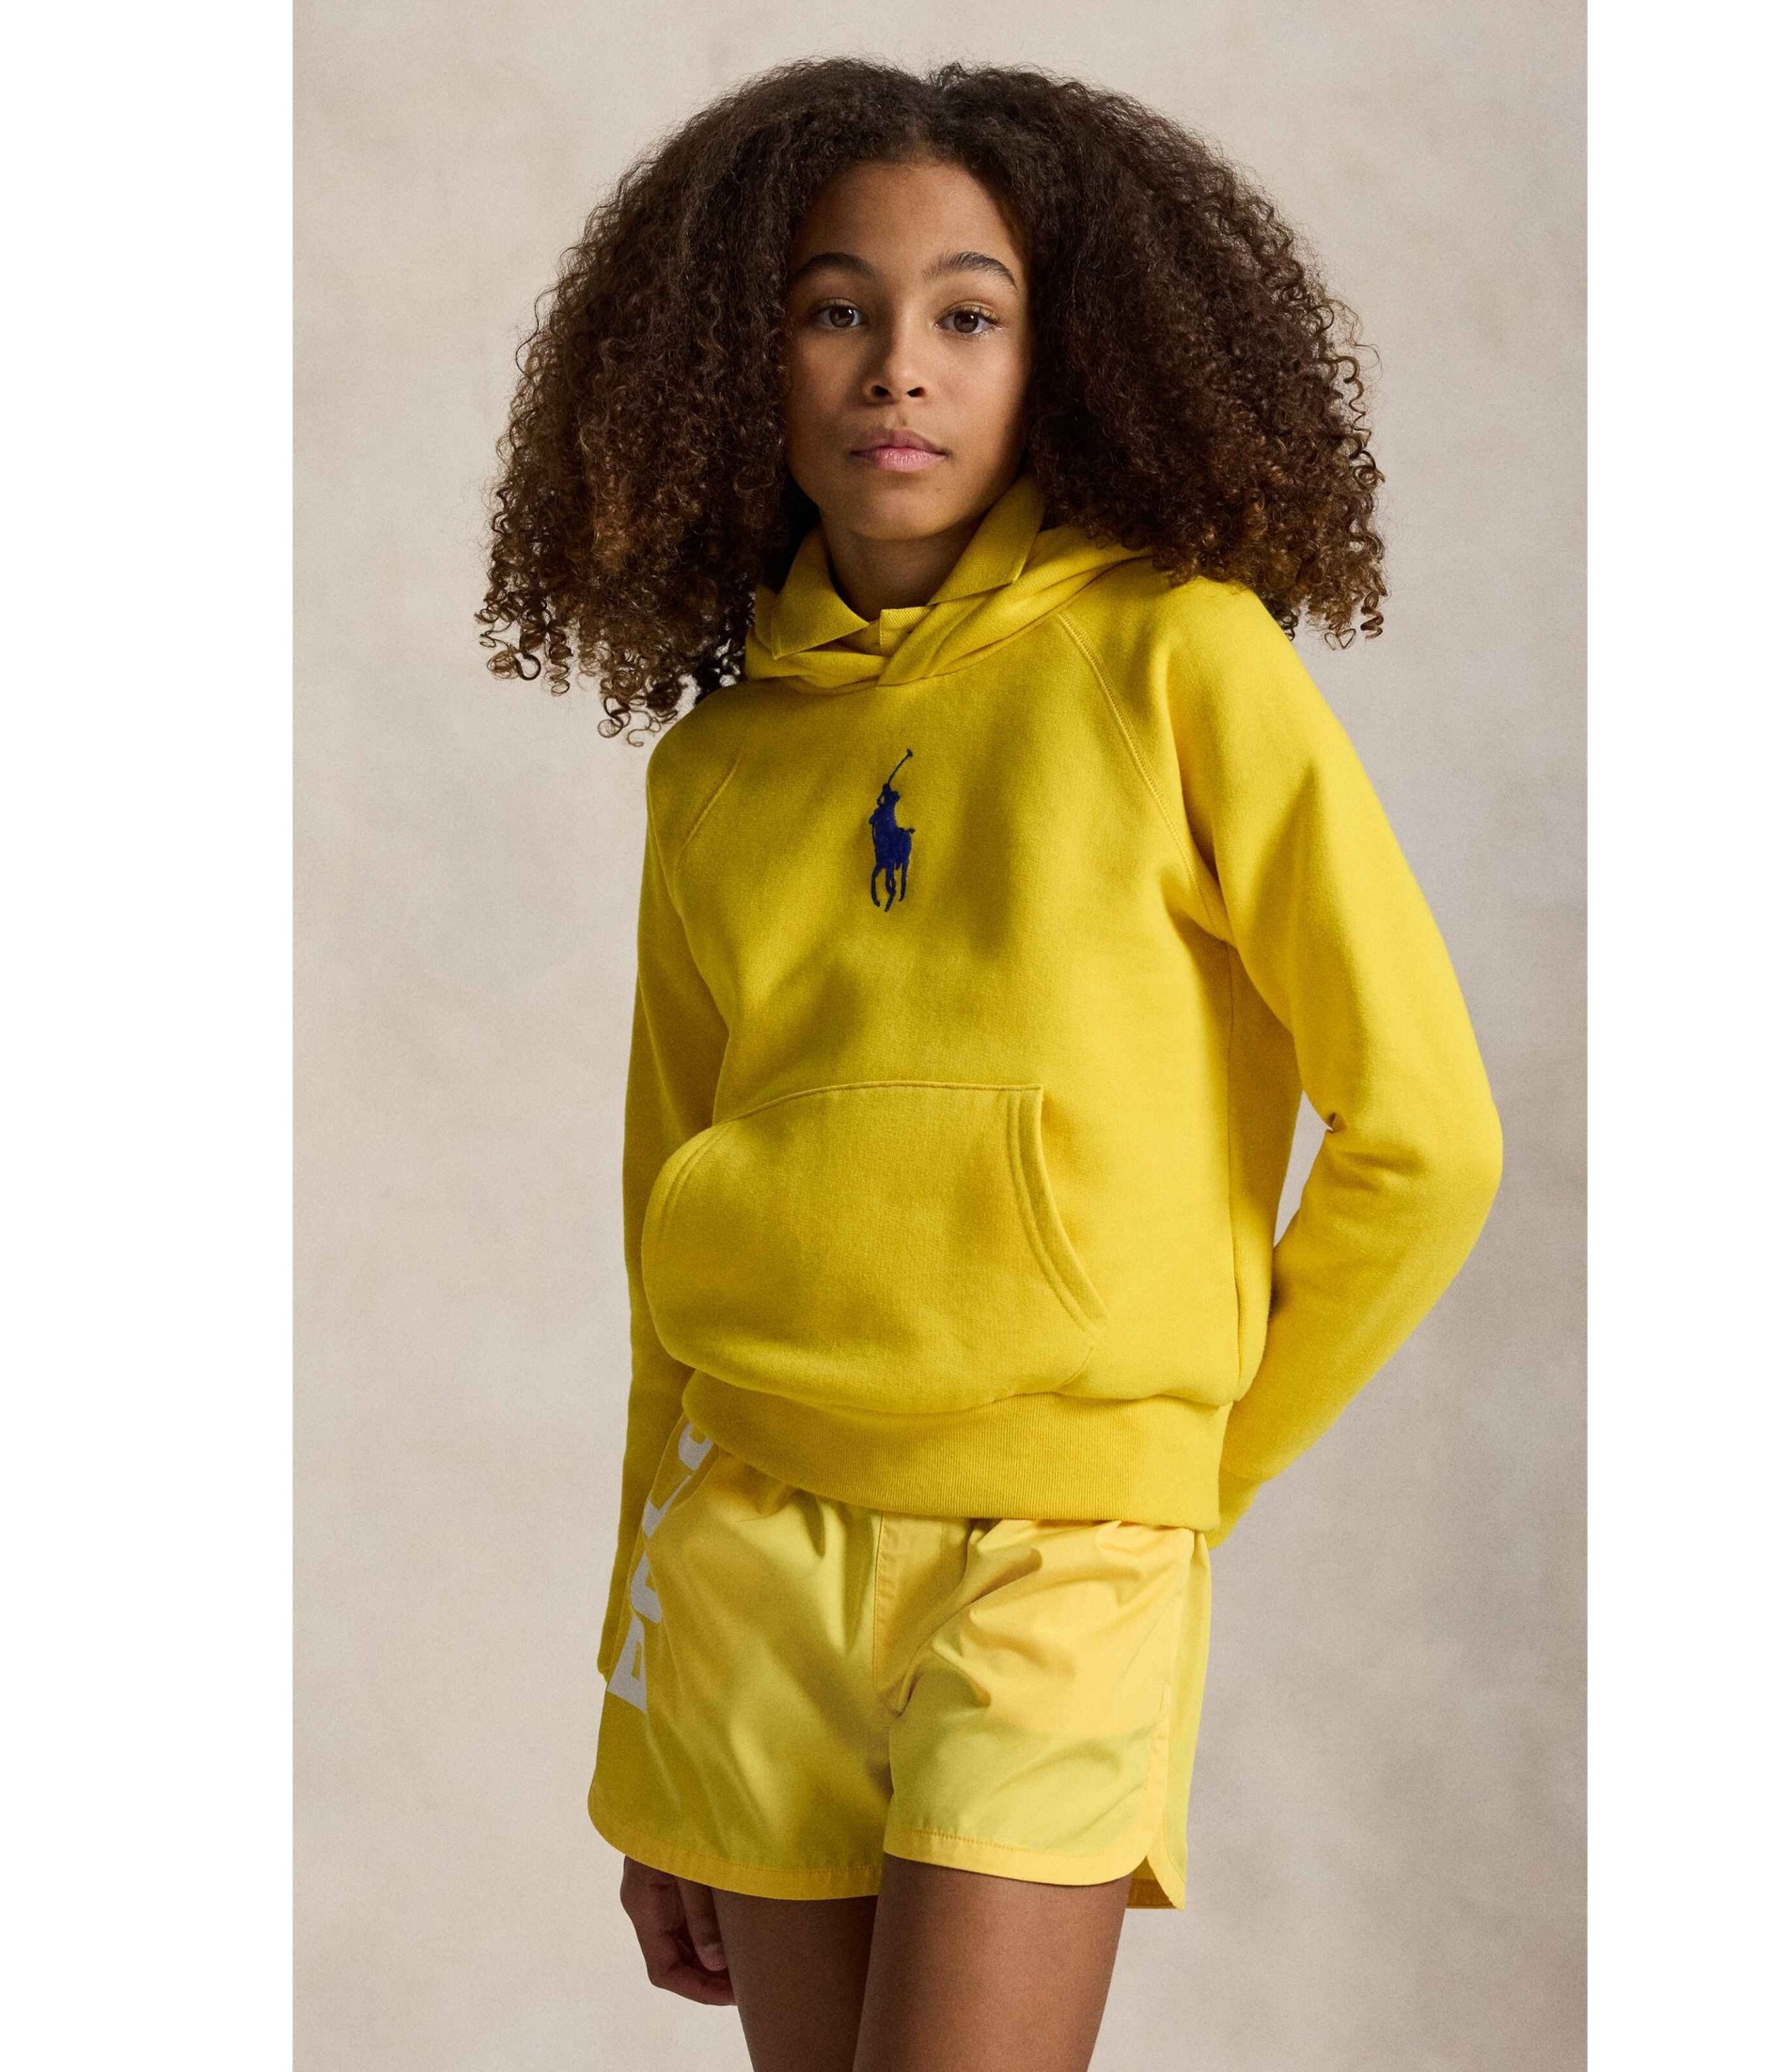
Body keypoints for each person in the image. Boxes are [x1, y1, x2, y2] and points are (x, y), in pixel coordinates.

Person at [478, 55, 1503, 2072]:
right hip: (749, 1557)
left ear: (1065, 360)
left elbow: (1428, 1138)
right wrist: (636, 1691)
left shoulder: (1179, 658)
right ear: (743, 359)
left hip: (1058, 1557)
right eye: (834, 307)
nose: (898, 367)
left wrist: (1182, 1474)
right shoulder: (717, 769)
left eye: (970, 313)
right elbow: (660, 1239)